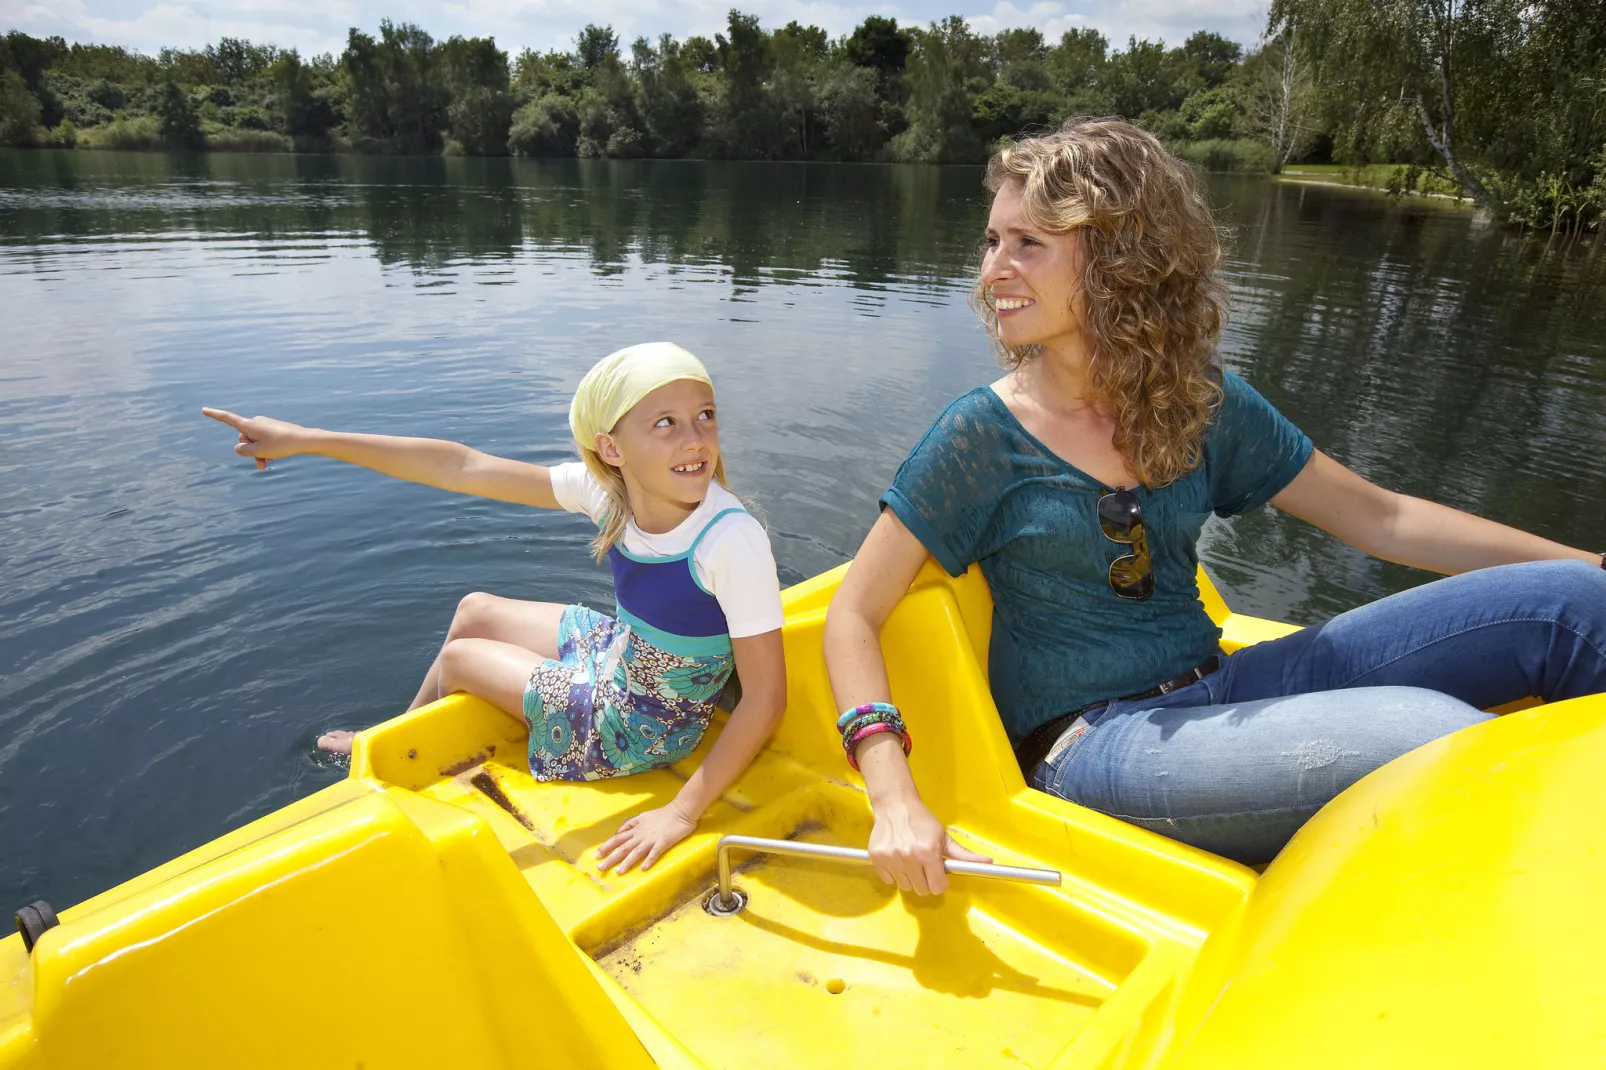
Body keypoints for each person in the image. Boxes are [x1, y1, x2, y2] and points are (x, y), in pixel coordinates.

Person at [822, 118, 1606, 890]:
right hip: (1096, 745)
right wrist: (894, 799)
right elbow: (853, 614)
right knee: (1440, 739)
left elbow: (1381, 518)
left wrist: (1590, 560)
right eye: (993, 241)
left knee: (1575, 606)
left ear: (1119, 257)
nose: (993, 269)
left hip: (1220, 682)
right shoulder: (979, 437)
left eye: (1028, 243)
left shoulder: (1195, 401)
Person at [204, 342, 787, 875]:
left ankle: (384, 760)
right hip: (623, 656)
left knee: (460, 658)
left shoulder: (729, 539)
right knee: (474, 609)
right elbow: (463, 466)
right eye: (665, 423)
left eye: (705, 416)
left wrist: (680, 816)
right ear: (612, 449)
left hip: (641, 727)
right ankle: (395, 733)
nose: (695, 440)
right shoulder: (610, 494)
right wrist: (306, 439)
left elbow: (766, 697)